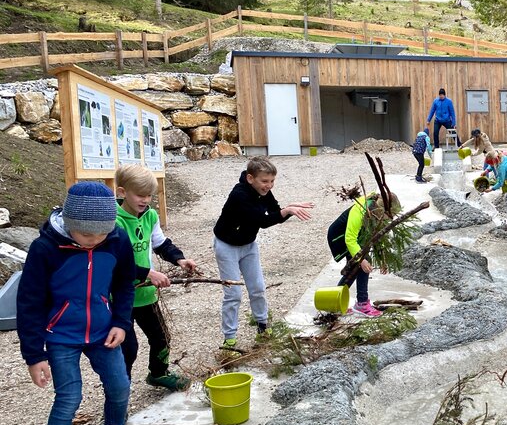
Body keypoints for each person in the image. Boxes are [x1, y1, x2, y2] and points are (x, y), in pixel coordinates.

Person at [17, 182, 145, 425]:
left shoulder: (116, 240)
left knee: (119, 386)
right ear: (70, 221)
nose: (93, 242)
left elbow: (123, 283)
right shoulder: (45, 248)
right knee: (68, 399)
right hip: (60, 335)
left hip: (103, 330)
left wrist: (121, 322)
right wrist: (34, 354)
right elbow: (28, 303)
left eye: (99, 236)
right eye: (85, 236)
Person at [213, 157, 313, 349]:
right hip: (227, 246)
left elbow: (276, 212)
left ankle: (262, 326)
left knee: (258, 287)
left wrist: (288, 209)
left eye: (272, 181)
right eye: (265, 181)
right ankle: (229, 339)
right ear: (251, 178)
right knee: (233, 293)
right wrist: (287, 210)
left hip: (248, 245)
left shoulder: (263, 192)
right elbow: (262, 221)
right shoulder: (239, 194)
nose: (269, 186)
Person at [115, 165, 197, 390]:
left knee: (161, 337)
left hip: (146, 293)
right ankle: (120, 391)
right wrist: (147, 273)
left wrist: (179, 259)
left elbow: (160, 243)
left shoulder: (150, 216)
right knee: (127, 347)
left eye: (149, 195)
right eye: (140, 195)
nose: (146, 200)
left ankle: (158, 373)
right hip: (120, 297)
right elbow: (115, 262)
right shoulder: (115, 221)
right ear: (122, 192)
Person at [326, 192, 402, 317]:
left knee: (354, 269)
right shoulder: (361, 211)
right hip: (339, 236)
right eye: (389, 215)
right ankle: (361, 303)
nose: (390, 219)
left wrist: (382, 258)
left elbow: (377, 236)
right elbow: (349, 239)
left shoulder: (376, 212)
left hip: (356, 237)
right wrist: (361, 259)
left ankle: (335, 303)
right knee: (361, 264)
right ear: (380, 210)